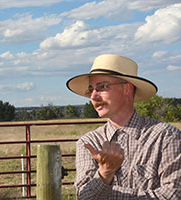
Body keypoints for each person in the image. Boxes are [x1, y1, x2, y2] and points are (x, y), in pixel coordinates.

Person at [66, 54, 181, 199]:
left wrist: (110, 194)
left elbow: (174, 194)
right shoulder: (88, 142)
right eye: (91, 89)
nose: (93, 97)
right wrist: (106, 172)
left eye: (102, 87)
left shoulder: (165, 136)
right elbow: (84, 196)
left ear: (127, 89)